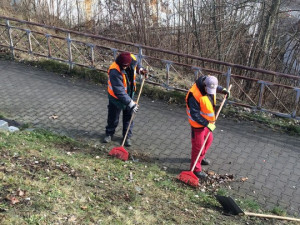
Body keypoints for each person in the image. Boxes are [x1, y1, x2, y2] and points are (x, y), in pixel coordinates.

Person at [186, 75, 230, 179]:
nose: (211, 92)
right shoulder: (194, 95)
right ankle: (196, 169)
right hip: (197, 124)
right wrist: (207, 124)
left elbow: (215, 87)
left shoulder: (208, 84)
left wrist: (223, 90)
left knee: (209, 140)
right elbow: (194, 114)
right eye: (209, 89)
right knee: (198, 146)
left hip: (206, 123)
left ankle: (200, 158)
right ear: (204, 85)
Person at [103, 51, 147, 146]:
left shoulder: (133, 58)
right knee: (113, 117)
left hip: (130, 93)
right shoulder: (114, 71)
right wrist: (131, 103)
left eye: (126, 66)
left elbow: (137, 64)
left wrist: (140, 70)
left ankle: (127, 137)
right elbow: (119, 91)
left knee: (128, 118)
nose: (125, 68)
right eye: (123, 66)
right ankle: (109, 133)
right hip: (115, 98)